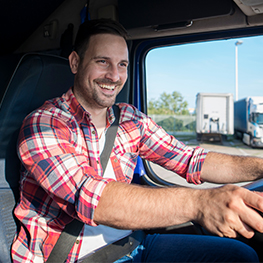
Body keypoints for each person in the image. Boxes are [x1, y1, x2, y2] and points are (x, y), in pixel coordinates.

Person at [11, 18, 263, 263]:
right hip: (75, 257)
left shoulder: (131, 120)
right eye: (102, 61)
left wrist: (260, 166)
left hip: (133, 244)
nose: (114, 75)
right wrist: (201, 203)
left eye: (122, 65)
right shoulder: (43, 124)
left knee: (240, 255)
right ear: (76, 62)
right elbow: (92, 198)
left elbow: (191, 160)